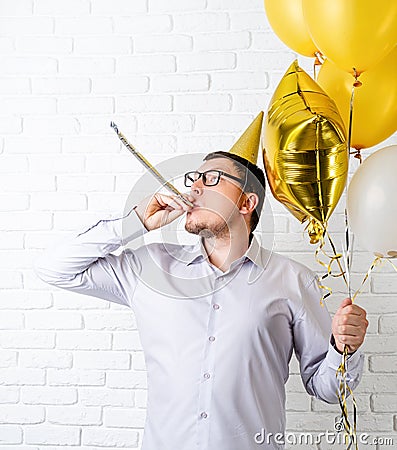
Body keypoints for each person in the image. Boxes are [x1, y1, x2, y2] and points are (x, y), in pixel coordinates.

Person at [34, 112, 368, 450]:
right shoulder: (150, 268)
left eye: (212, 179)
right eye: (195, 178)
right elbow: (54, 268)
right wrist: (134, 221)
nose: (194, 187)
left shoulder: (294, 280)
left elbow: (328, 389)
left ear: (246, 202)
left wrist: (343, 348)